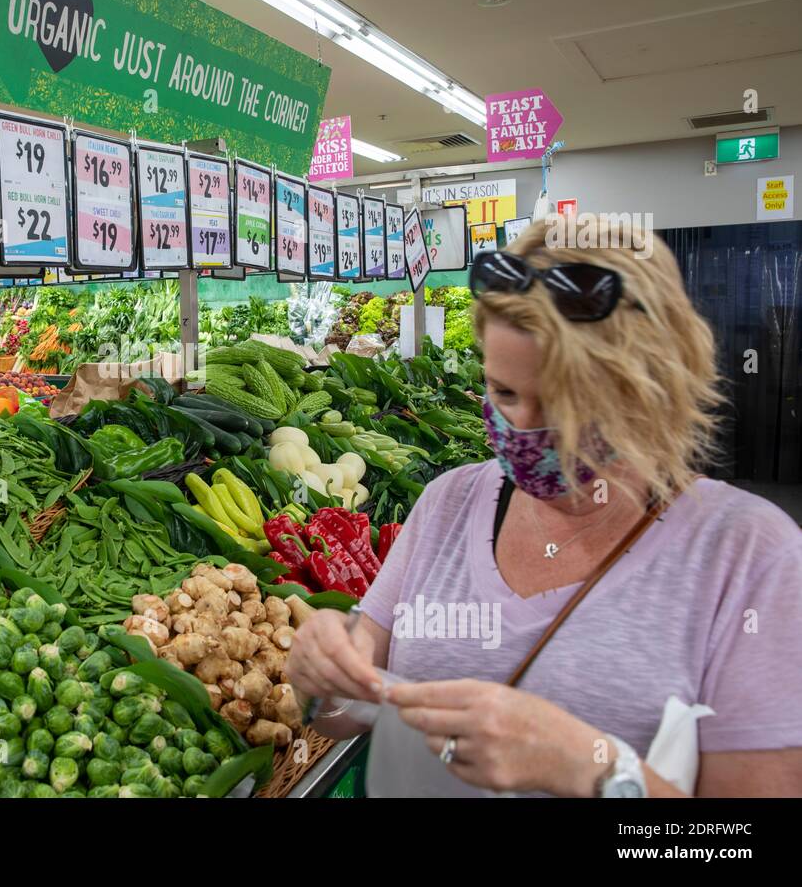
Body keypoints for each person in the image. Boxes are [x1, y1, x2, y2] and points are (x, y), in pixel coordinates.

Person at [287, 218, 802, 797]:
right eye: (503, 393)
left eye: (564, 400)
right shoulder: (449, 504)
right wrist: (320, 680)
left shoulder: (748, 555)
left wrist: (597, 770)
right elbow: (348, 711)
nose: (524, 428)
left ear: (652, 388)